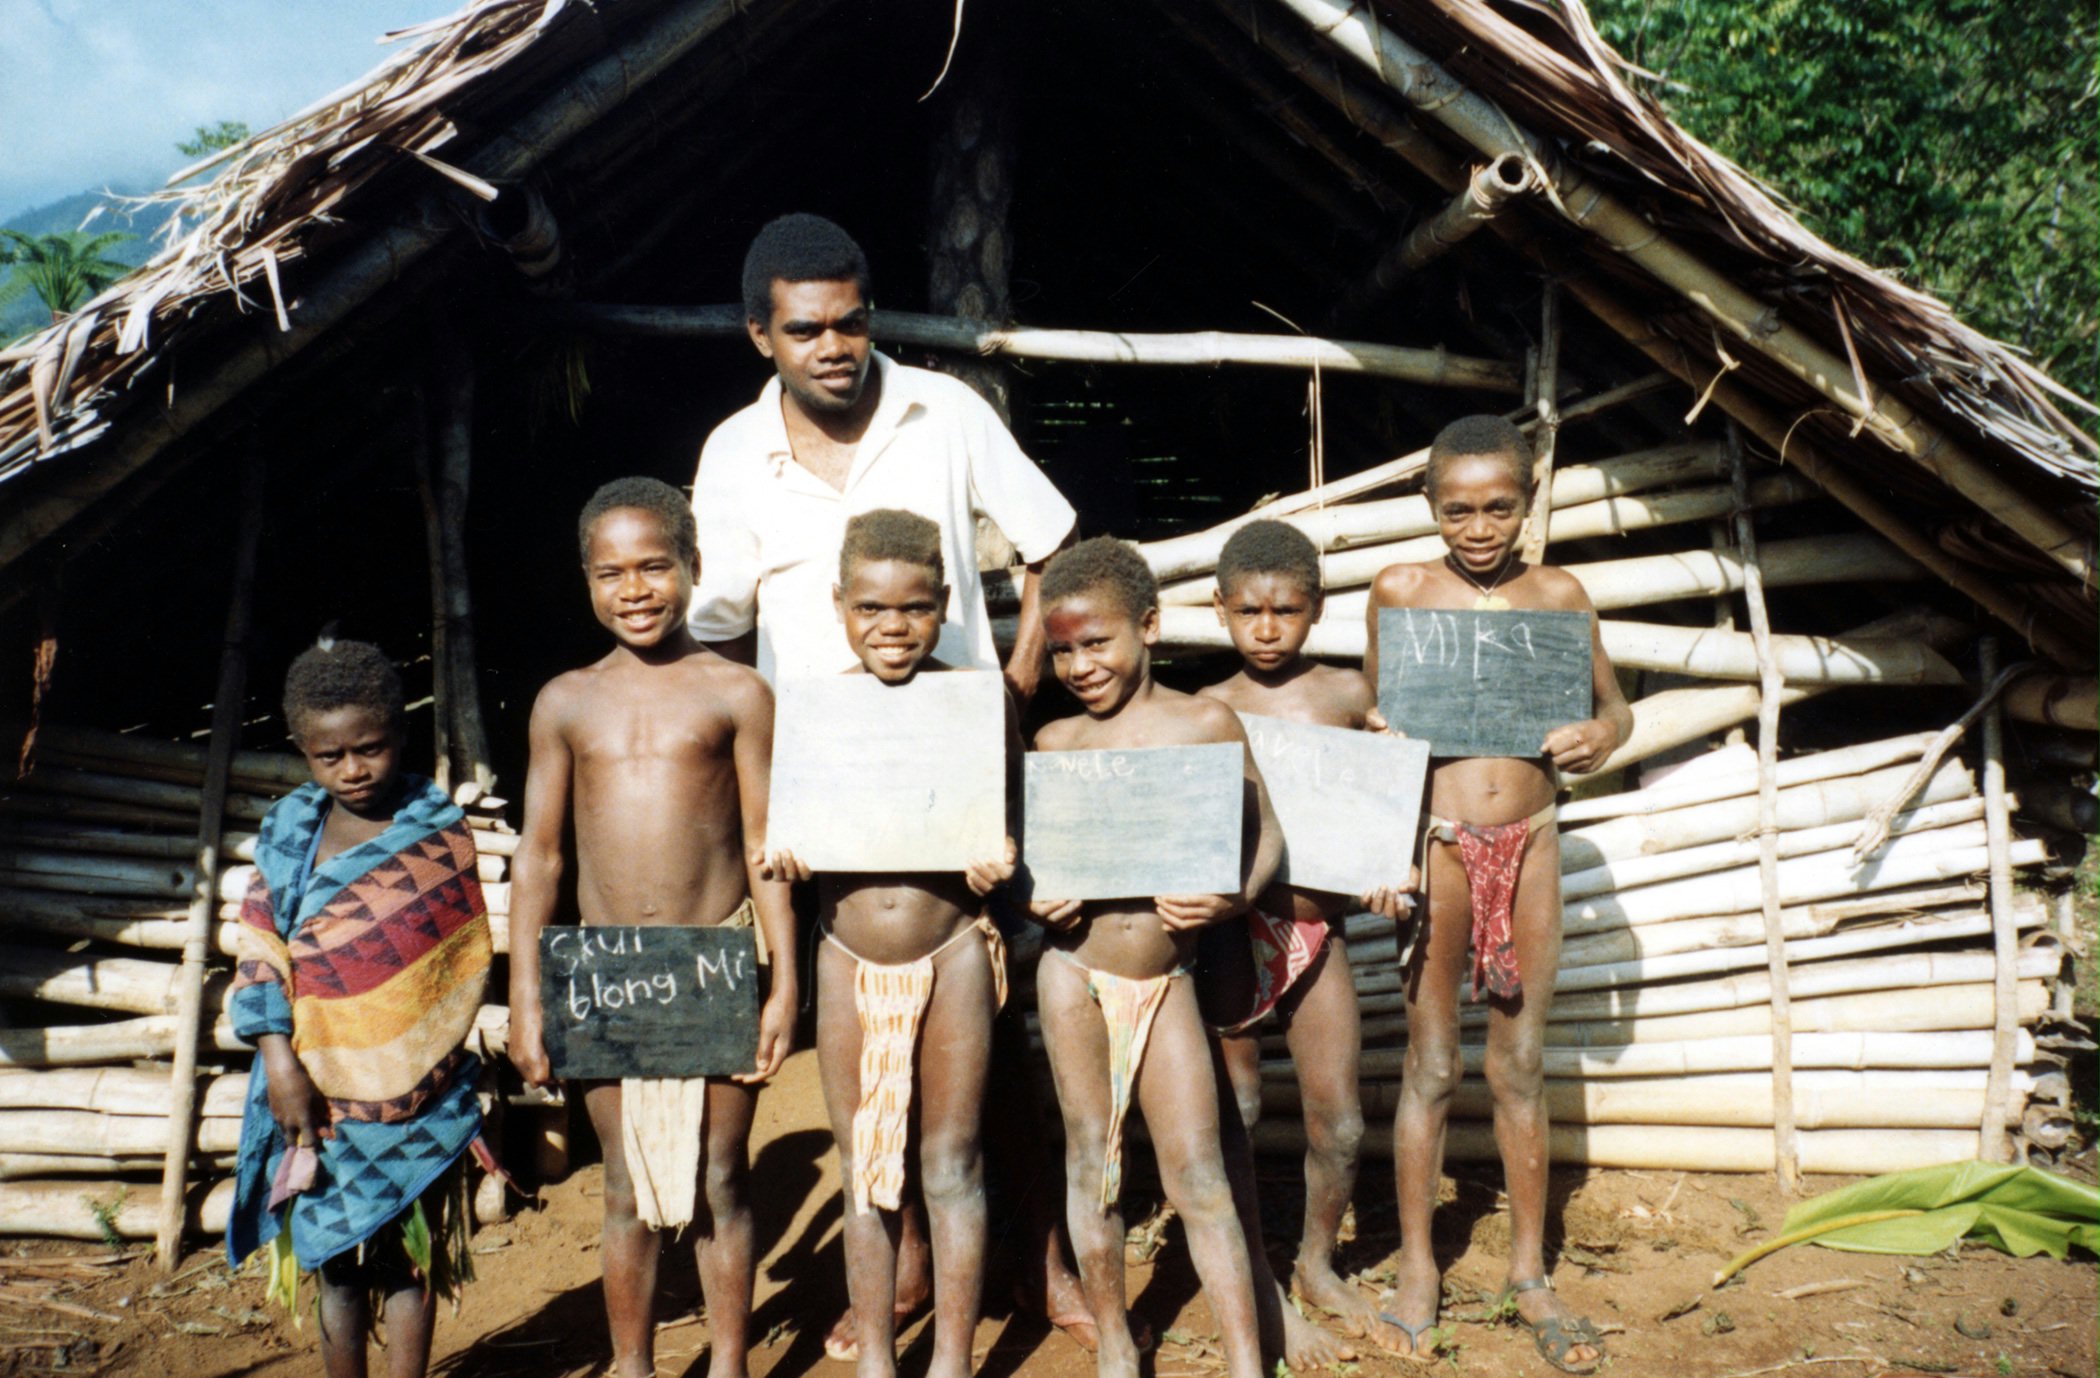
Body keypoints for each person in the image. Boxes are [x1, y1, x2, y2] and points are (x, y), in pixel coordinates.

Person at [690, 212, 1096, 1358]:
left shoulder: (947, 412)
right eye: (807, 328)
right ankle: (905, 1248)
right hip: (831, 786)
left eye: (853, 320)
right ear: (760, 334)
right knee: (869, 1020)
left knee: (999, 993)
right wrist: (767, 761)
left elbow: (1048, 537)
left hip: (958, 762)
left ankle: (1043, 1251)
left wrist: (1012, 675)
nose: (836, 345)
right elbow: (715, 621)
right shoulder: (731, 454)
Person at [1030, 537, 1360, 1378]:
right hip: (1073, 975)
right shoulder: (1056, 742)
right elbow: (1032, 870)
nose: (1079, 665)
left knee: (1198, 1172)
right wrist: (1035, 896)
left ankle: (1250, 1358)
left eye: (1096, 642)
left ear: (1149, 624)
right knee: (1092, 1159)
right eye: (1062, 650)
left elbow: (1268, 835)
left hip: (1165, 976)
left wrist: (1232, 898)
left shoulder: (1203, 722)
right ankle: (1112, 1339)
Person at [506, 478, 797, 1378]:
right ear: (587, 582)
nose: (634, 589)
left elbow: (763, 846)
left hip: (713, 958)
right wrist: (525, 997)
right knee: (626, 1186)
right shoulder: (564, 701)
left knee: (720, 1177)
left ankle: (730, 1363)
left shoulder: (737, 692)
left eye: (654, 566)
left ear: (694, 569)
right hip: (601, 969)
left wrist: (784, 980)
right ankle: (632, 1364)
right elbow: (541, 858)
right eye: (610, 573)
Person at [1363, 416, 1633, 1371]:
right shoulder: (1400, 590)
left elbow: (1615, 708)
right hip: (1435, 846)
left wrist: (1602, 738)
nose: (1478, 529)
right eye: (1458, 510)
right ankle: (1418, 1269)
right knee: (1430, 1066)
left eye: (1499, 508)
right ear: (1430, 506)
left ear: (1529, 500)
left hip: (1532, 842)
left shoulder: (1559, 594)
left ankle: (1527, 1271)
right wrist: (1380, 744)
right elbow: (1377, 716)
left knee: (1518, 1065)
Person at [759, 509, 1019, 1378]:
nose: (892, 627)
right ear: (839, 605)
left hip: (953, 954)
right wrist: (788, 855)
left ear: (944, 604)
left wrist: (999, 863)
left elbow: (1013, 833)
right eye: (870, 608)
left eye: (912, 608)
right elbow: (779, 838)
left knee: (949, 1162)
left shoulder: (978, 704)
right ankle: (875, 1355)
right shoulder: (814, 713)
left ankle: (948, 1359)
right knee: (867, 1164)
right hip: (846, 956)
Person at [227, 638, 494, 1378]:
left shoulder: (435, 829)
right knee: (337, 1266)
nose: (353, 769)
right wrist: (279, 1059)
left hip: (417, 1095)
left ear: (400, 734)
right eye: (329, 756)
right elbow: (259, 948)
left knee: (409, 1262)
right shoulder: (288, 832)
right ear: (302, 750)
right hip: (313, 1096)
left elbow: (456, 958)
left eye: (370, 748)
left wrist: (414, 1053)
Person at [1194, 519, 1418, 1354]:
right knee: (1239, 1111)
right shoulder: (1210, 709)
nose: (1266, 628)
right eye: (1248, 611)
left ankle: (1317, 1262)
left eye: (1286, 611)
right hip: (1232, 937)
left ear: (1316, 610)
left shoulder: (1349, 696)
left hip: (1320, 934)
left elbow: (1391, 806)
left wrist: (1391, 854)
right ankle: (1254, 1276)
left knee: (1342, 1120)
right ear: (1218, 609)